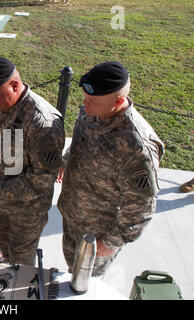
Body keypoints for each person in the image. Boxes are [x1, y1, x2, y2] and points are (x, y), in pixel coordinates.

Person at [57, 61, 164, 276]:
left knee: (84, 283)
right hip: (72, 214)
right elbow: (82, 139)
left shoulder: (135, 147)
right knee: (71, 269)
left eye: (93, 101)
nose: (85, 104)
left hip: (98, 231)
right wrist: (67, 161)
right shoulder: (94, 110)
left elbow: (141, 207)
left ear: (119, 101)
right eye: (85, 98)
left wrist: (111, 242)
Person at [0, 57, 65, 265]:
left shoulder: (43, 122)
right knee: (5, 250)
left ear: (14, 85)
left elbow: (42, 180)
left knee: (21, 263)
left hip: (25, 211)